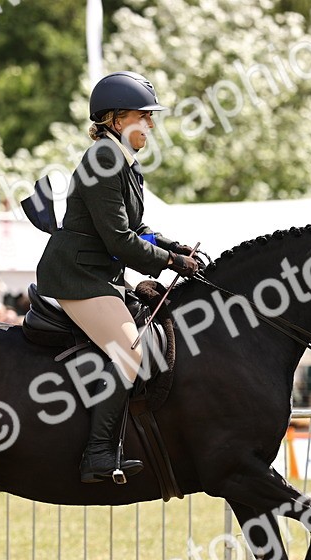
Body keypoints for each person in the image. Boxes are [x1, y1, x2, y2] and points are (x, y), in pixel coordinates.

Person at [34, 70, 199, 483]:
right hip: (77, 276)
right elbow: (120, 239)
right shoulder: (105, 158)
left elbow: (135, 228)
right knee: (131, 351)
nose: (151, 125)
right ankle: (98, 454)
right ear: (116, 119)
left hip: (98, 274)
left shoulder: (124, 162)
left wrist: (173, 246)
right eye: (144, 116)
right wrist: (168, 263)